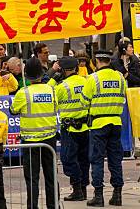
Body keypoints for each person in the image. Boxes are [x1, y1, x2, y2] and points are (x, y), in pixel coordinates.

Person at [10, 57, 59, 209]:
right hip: (49, 140)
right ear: (41, 73)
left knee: (32, 178)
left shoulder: (23, 93)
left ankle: (33, 206)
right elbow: (55, 107)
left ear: (27, 75)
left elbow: (13, 111)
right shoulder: (51, 90)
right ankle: (53, 205)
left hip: (30, 142)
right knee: (51, 176)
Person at [82, 50, 127, 207]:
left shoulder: (92, 78)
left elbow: (84, 101)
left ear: (96, 60)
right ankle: (117, 195)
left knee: (97, 160)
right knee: (116, 160)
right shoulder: (120, 77)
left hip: (99, 124)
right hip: (116, 122)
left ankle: (99, 196)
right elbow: (123, 96)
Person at [52, 56, 91, 201]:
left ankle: (77, 189)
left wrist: (53, 78)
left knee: (68, 158)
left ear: (62, 70)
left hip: (70, 129)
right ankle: (83, 189)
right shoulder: (86, 81)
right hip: (86, 127)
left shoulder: (61, 86)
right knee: (83, 159)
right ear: (76, 68)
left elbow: (50, 96)